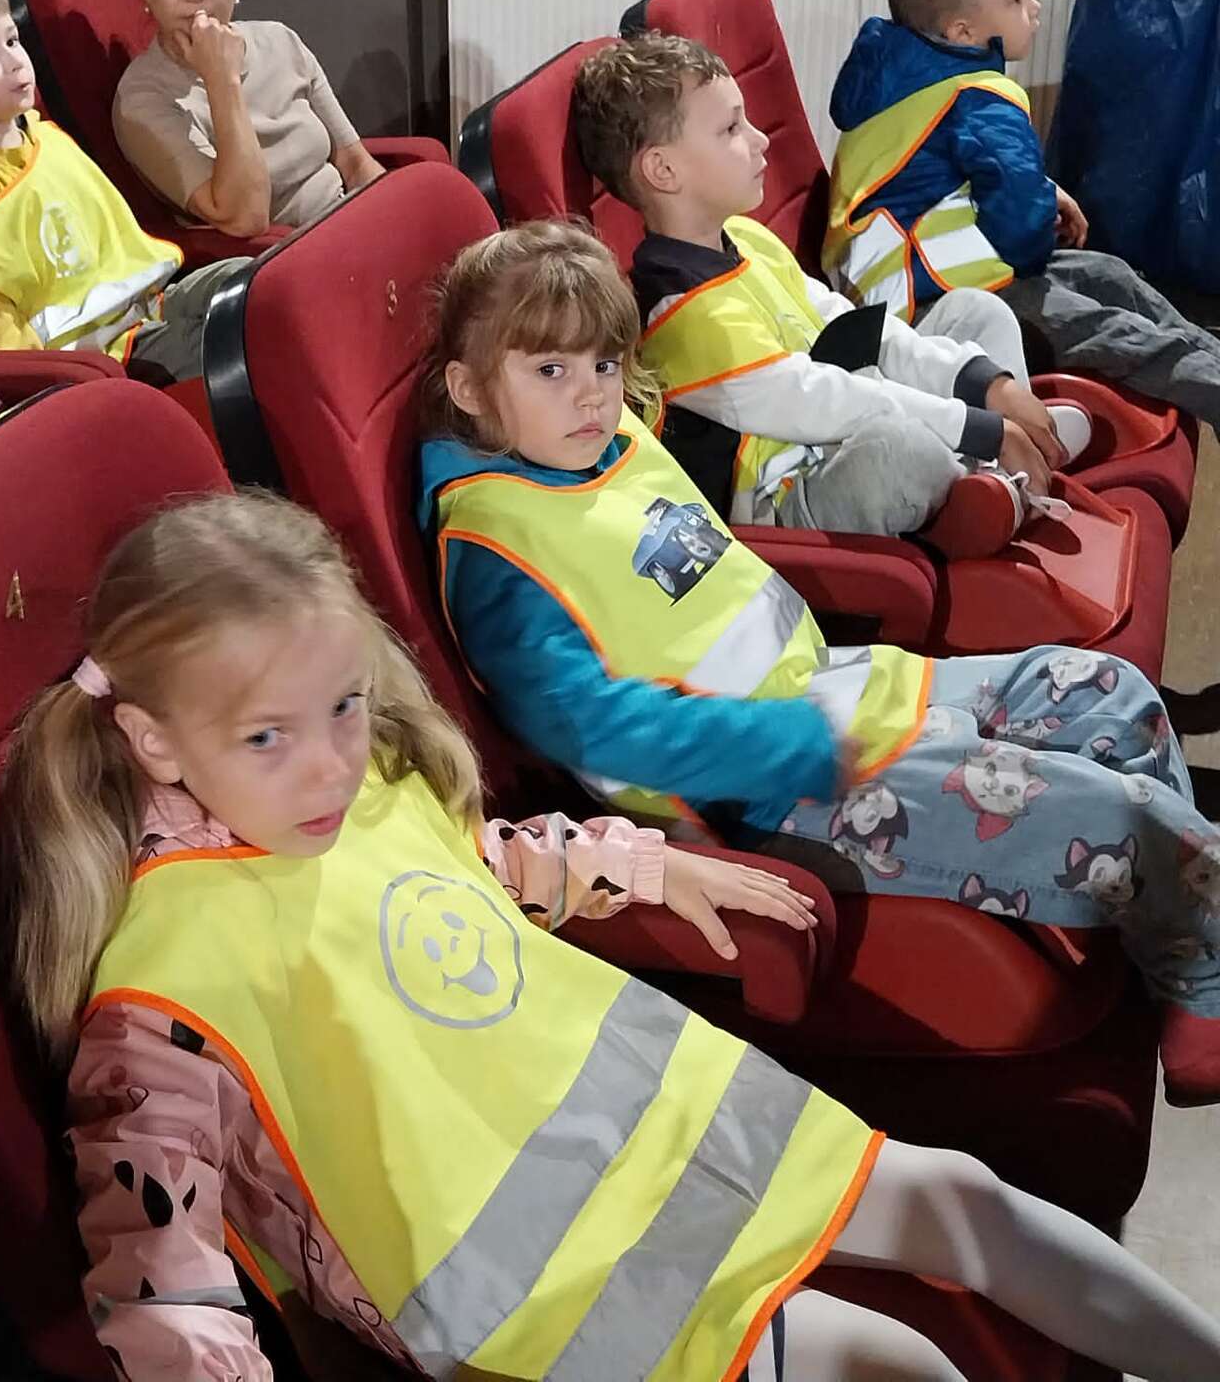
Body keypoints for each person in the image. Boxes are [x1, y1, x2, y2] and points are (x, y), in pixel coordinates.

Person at [0, 492, 1220, 1381]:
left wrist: (651, 864)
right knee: (891, 1360)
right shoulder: (157, 998)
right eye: (269, 736)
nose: (328, 763)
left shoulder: (364, 791)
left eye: (345, 706)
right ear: (153, 740)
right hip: (533, 1291)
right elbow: (163, 1285)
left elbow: (478, 876)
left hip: (655, 1117)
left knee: (964, 1197)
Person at [415, 220, 1220, 1107]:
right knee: (1124, 816)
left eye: (604, 364)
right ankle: (1206, 967)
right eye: (549, 371)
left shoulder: (607, 444)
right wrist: (791, 745)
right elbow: (593, 726)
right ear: (470, 388)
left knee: (1115, 693)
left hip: (841, 686)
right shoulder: (494, 552)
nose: (591, 396)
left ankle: (1187, 954)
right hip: (775, 790)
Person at [572, 32, 1088, 553]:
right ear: (664, 170)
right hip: (790, 500)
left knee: (974, 310)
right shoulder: (679, 316)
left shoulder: (746, 236)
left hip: (843, 426)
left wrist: (986, 386)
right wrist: (977, 426)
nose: (760, 139)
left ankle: (1001, 470)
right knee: (900, 447)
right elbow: (823, 400)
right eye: (731, 128)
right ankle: (993, 481)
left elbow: (852, 327)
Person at [825, 0, 1220, 432]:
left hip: (914, 280)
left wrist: (1045, 190)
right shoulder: (983, 101)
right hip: (936, 303)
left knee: (1109, 275)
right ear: (962, 32)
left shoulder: (903, 72)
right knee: (1117, 333)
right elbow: (1022, 234)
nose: (1034, 8)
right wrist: (1039, 206)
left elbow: (932, 177)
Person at [0, 0, 248, 381]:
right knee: (241, 343)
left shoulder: (47, 136)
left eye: (12, 41)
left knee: (255, 282)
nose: (14, 61)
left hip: (154, 303)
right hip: (102, 352)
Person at [114, 0, 383, 239]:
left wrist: (392, 221)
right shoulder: (141, 99)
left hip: (354, 225)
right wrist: (220, 78)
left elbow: (354, 161)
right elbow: (245, 217)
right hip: (285, 256)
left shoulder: (280, 40)